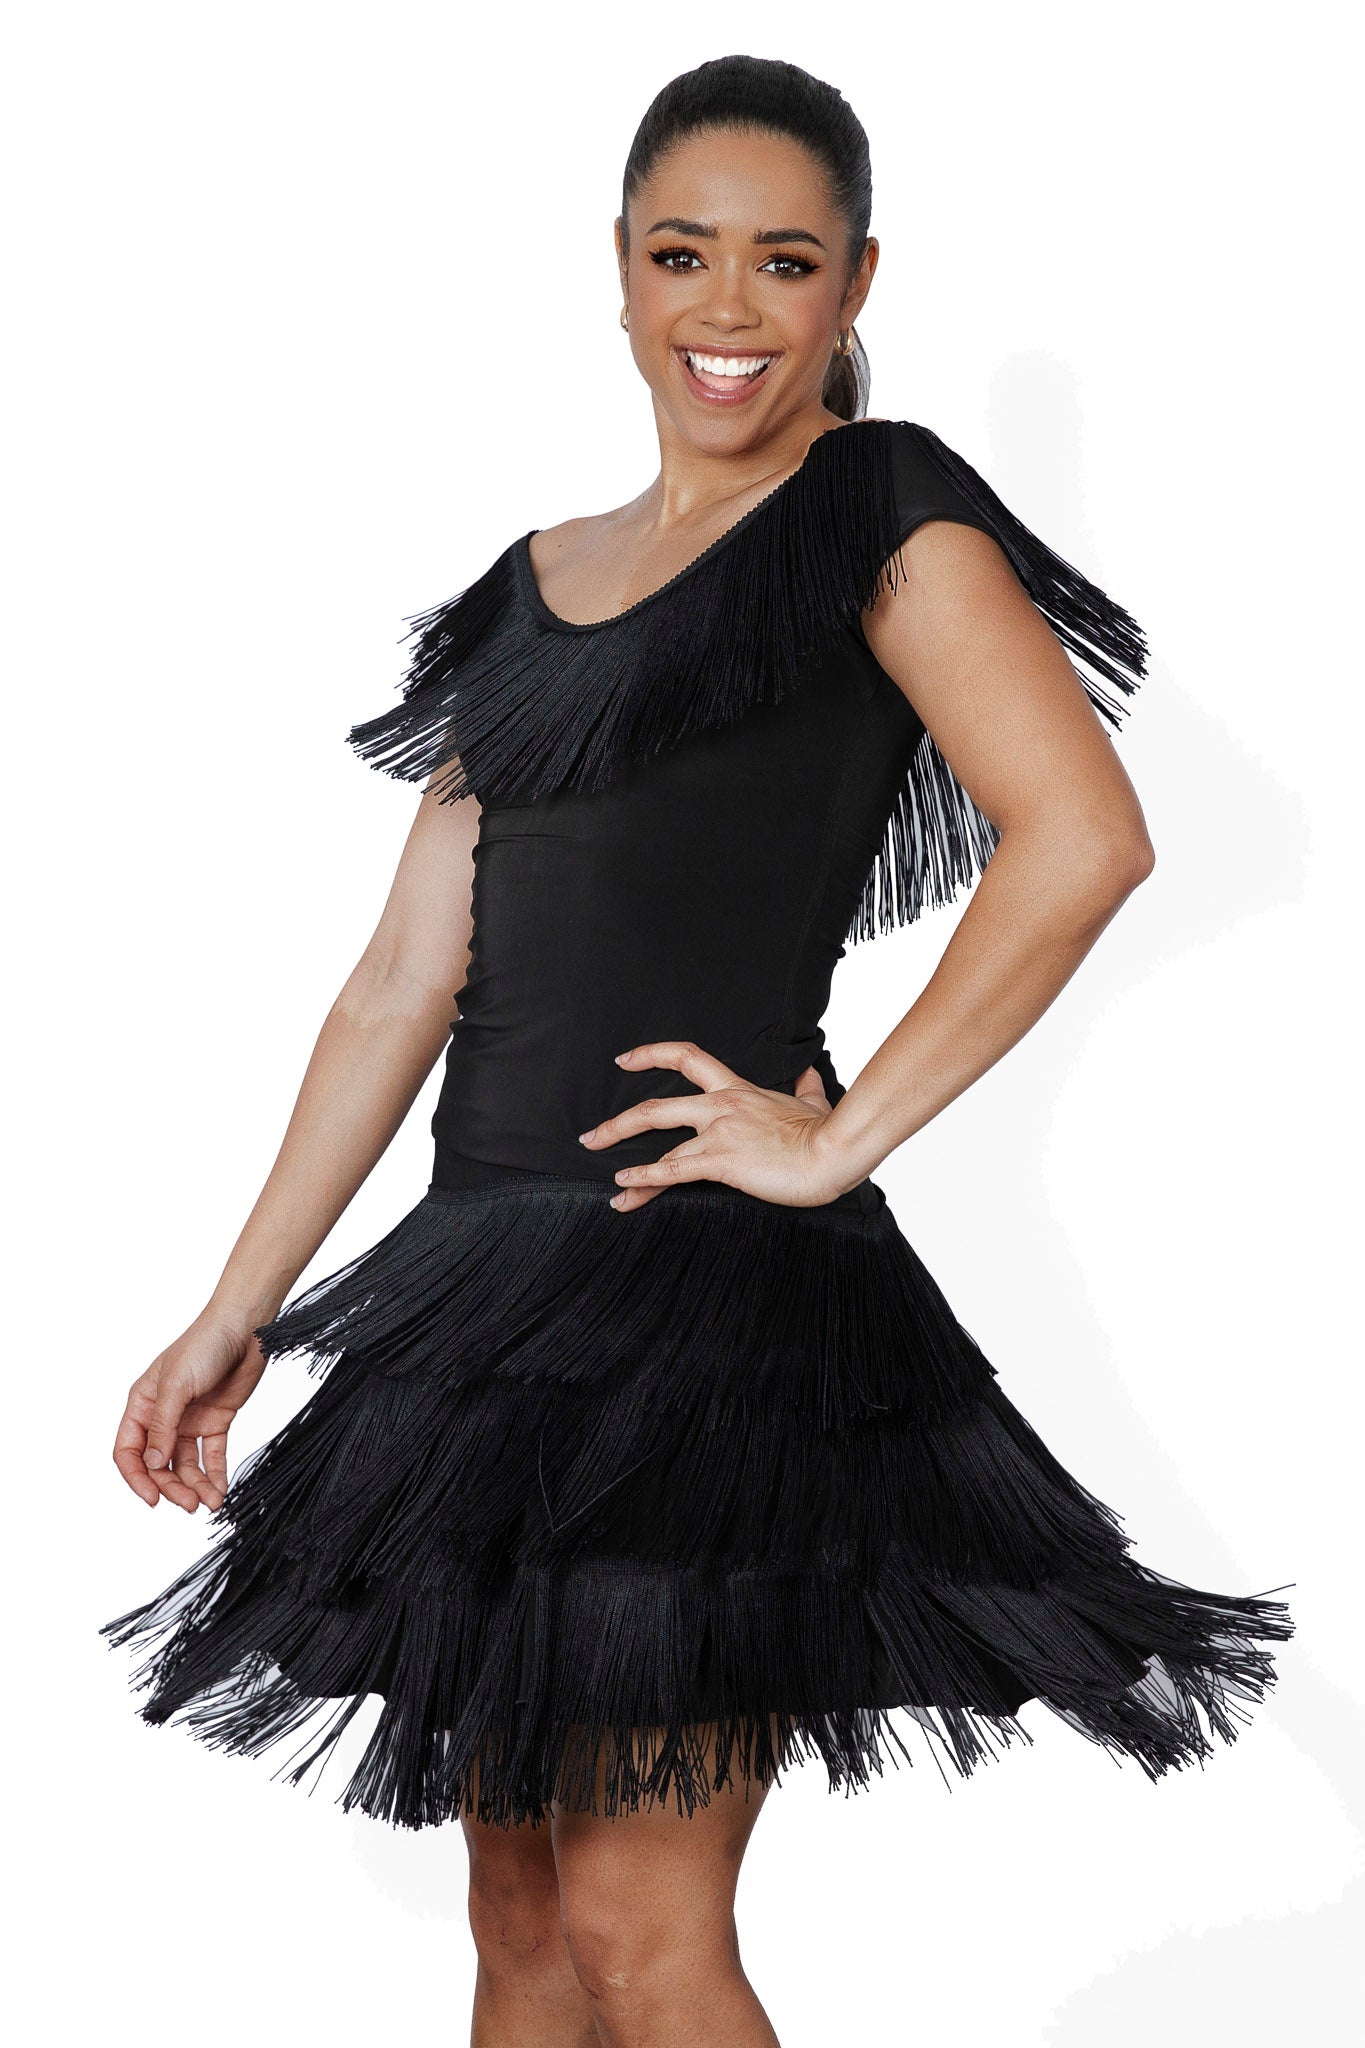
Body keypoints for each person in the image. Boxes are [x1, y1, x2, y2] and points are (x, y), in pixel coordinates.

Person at [100, 53, 1294, 2048]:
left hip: (697, 1307)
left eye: (781, 262)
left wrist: (833, 1142)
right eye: (682, 255)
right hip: (484, 1310)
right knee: (519, 1923)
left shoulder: (880, 511)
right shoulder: (530, 588)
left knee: (640, 1931)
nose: (725, 308)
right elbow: (398, 982)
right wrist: (239, 1307)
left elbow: (1083, 835)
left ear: (853, 282)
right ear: (619, 270)